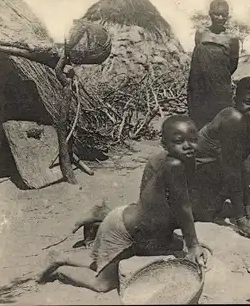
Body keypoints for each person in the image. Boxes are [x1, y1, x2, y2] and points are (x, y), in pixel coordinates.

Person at [37, 116, 209, 292]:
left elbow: (157, 202)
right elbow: (182, 206)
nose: (188, 146)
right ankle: (60, 265)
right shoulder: (174, 164)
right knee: (102, 284)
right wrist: (193, 244)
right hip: (125, 231)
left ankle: (70, 250)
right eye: (179, 142)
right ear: (164, 144)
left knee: (101, 262)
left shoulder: (168, 160)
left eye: (193, 140)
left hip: (131, 223)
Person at [193, 76, 250, 240]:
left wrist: (249, 214)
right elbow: (232, 170)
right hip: (193, 177)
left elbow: (249, 165)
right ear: (235, 100)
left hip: (213, 174)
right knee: (206, 212)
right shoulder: (233, 118)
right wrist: (241, 220)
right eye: (248, 102)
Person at [187, 0, 240, 130]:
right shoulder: (200, 33)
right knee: (198, 119)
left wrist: (217, 77)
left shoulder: (232, 39)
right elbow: (198, 58)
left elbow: (233, 64)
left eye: (224, 15)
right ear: (210, 14)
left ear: (228, 15)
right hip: (200, 86)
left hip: (220, 87)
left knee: (220, 121)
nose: (220, 18)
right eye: (217, 14)